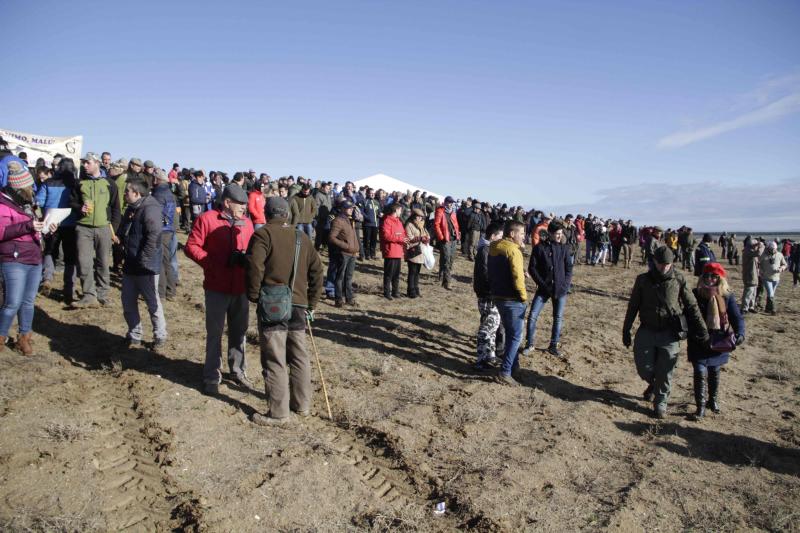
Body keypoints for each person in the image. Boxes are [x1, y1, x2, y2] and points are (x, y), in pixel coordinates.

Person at [246, 197, 323, 425]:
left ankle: (279, 413)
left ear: (267, 213)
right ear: (287, 214)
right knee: (299, 357)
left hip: (273, 306)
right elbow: (317, 272)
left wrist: (253, 295)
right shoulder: (302, 237)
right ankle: (302, 405)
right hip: (299, 306)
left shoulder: (262, 235)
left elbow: (254, 267)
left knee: (275, 358)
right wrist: (311, 303)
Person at [184, 184, 255, 395]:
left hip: (240, 287)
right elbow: (191, 246)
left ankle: (238, 370)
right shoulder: (207, 219)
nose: (244, 207)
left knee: (239, 332)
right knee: (214, 333)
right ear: (227, 202)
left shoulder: (247, 223)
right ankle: (212, 376)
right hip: (217, 286)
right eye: (240, 204)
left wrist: (246, 260)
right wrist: (212, 263)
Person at [622, 247, 708, 418]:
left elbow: (692, 306)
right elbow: (633, 306)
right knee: (644, 368)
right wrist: (626, 329)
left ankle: (660, 402)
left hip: (670, 333)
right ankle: (654, 384)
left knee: (666, 370)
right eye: (661, 264)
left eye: (668, 264)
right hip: (646, 330)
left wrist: (703, 329)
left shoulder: (679, 279)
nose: (664, 267)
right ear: (654, 262)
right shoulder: (642, 280)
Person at [688, 263, 745, 420]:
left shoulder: (727, 297)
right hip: (698, 340)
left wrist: (740, 333)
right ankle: (700, 407)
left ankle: (712, 401)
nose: (710, 279)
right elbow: (686, 314)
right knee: (699, 372)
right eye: (706, 276)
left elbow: (736, 317)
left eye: (714, 276)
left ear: (720, 279)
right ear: (702, 277)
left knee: (714, 371)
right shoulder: (694, 294)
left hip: (719, 340)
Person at [0, 162, 45, 355]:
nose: (32, 190)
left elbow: (35, 225)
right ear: (17, 188)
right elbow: (2, 232)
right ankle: (1, 337)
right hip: (14, 258)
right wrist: (28, 227)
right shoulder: (3, 205)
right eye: (28, 187)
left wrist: (45, 227)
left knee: (28, 301)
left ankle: (24, 337)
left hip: (34, 257)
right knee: (12, 302)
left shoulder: (28, 204)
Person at [118, 178, 167, 349]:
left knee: (152, 302)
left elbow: (154, 236)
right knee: (128, 301)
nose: (124, 194)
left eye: (127, 191)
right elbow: (125, 230)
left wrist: (145, 260)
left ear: (136, 193)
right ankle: (134, 334)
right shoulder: (132, 209)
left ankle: (160, 335)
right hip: (131, 262)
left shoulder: (150, 208)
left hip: (146, 266)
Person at [70, 152, 121, 308]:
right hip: (83, 228)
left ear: (97, 163)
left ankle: (102, 294)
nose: (85, 165)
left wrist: (112, 229)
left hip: (103, 228)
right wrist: (80, 208)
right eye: (84, 163)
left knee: (103, 262)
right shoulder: (79, 183)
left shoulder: (110, 183)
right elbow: (72, 202)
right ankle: (88, 296)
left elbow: (116, 208)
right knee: (84, 262)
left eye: (88, 162)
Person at [522, 220, 573, 358]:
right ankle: (529, 344)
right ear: (550, 233)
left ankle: (553, 345)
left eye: (561, 233)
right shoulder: (539, 248)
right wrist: (542, 284)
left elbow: (569, 268)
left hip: (560, 290)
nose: (559, 236)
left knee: (558, 318)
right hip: (543, 289)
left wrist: (565, 285)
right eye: (557, 233)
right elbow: (532, 268)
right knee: (532, 316)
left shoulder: (564, 249)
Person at [488, 221, 528, 386]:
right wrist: (523, 297)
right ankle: (505, 372)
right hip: (512, 299)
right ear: (512, 234)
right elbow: (518, 277)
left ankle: (514, 367)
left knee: (510, 333)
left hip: (498, 296)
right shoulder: (513, 251)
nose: (524, 237)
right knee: (515, 336)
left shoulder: (494, 247)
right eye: (522, 234)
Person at [35, 157, 78, 300]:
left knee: (49, 251)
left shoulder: (48, 182)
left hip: (50, 221)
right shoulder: (75, 184)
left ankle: (47, 278)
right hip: (70, 223)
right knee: (70, 256)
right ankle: (69, 288)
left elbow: (39, 201)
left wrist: (44, 213)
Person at [473, 221, 504, 370]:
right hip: (488, 295)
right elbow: (486, 274)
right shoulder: (485, 250)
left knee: (491, 326)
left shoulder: (488, 249)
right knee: (487, 328)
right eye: (500, 237)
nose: (501, 240)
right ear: (493, 236)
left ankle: (489, 354)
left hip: (489, 293)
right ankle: (481, 359)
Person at [150, 169, 179, 300]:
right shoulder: (170, 193)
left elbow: (156, 215)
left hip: (162, 230)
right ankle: (170, 290)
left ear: (156, 180)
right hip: (169, 229)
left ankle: (161, 292)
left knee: (161, 261)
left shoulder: (158, 194)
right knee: (167, 260)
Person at [328, 199, 359, 307]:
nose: (351, 210)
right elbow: (332, 238)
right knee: (340, 277)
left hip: (352, 253)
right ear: (343, 209)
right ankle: (338, 300)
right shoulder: (338, 221)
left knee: (348, 277)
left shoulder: (349, 220)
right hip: (343, 253)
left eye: (352, 208)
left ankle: (349, 298)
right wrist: (345, 246)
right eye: (349, 208)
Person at [380, 202, 408, 300]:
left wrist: (405, 239)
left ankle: (395, 292)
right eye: (400, 210)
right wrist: (400, 238)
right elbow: (386, 236)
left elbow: (403, 233)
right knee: (389, 274)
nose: (401, 212)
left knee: (396, 274)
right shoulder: (387, 221)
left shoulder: (399, 221)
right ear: (395, 210)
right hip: (390, 251)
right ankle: (387, 292)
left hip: (398, 251)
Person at [434, 196, 460, 290]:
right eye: (449, 202)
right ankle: (447, 282)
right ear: (445, 202)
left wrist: (458, 235)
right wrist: (441, 237)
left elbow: (456, 224)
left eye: (451, 202)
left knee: (450, 259)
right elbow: (436, 225)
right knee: (446, 259)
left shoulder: (453, 212)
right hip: (445, 239)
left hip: (453, 239)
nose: (450, 204)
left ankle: (442, 275)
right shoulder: (440, 211)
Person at [404, 208, 430, 298]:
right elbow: (409, 238)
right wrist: (419, 238)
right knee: (412, 271)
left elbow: (427, 235)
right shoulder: (409, 225)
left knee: (417, 272)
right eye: (418, 216)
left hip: (421, 251)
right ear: (414, 216)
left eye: (421, 217)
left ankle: (416, 288)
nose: (419, 218)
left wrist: (426, 239)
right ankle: (410, 290)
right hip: (413, 251)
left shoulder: (422, 225)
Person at [759, 241, 787, 315]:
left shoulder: (779, 255)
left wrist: (782, 268)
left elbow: (784, 264)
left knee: (771, 294)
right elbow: (758, 264)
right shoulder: (763, 255)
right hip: (766, 278)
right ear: (768, 248)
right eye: (771, 249)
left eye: (774, 249)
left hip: (776, 278)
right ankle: (773, 310)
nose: (773, 250)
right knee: (771, 294)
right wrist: (761, 272)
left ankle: (767, 309)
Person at [740, 239, 761, 313]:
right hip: (749, 275)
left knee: (753, 292)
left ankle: (751, 307)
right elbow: (758, 253)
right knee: (749, 292)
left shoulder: (750, 251)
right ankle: (744, 308)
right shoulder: (748, 252)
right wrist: (760, 246)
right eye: (755, 245)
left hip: (754, 275)